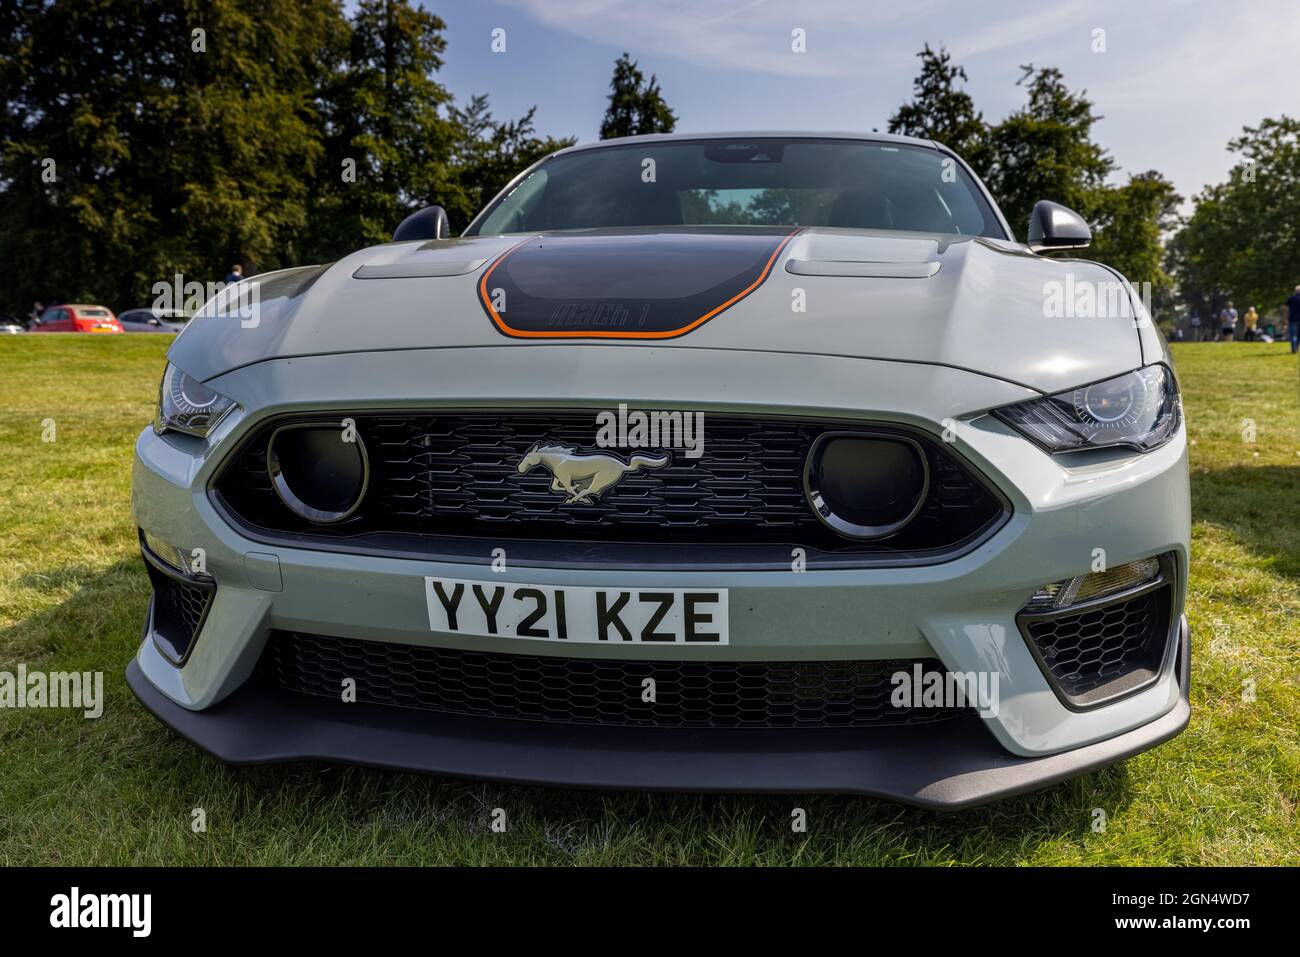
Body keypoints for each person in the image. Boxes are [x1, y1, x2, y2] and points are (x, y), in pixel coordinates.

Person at [1287, 285, 1300, 354]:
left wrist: (1285, 319)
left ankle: (1294, 348)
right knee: (1299, 335)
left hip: (1292, 319)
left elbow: (1286, 309)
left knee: (1293, 335)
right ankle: (1296, 348)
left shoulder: (1291, 298)